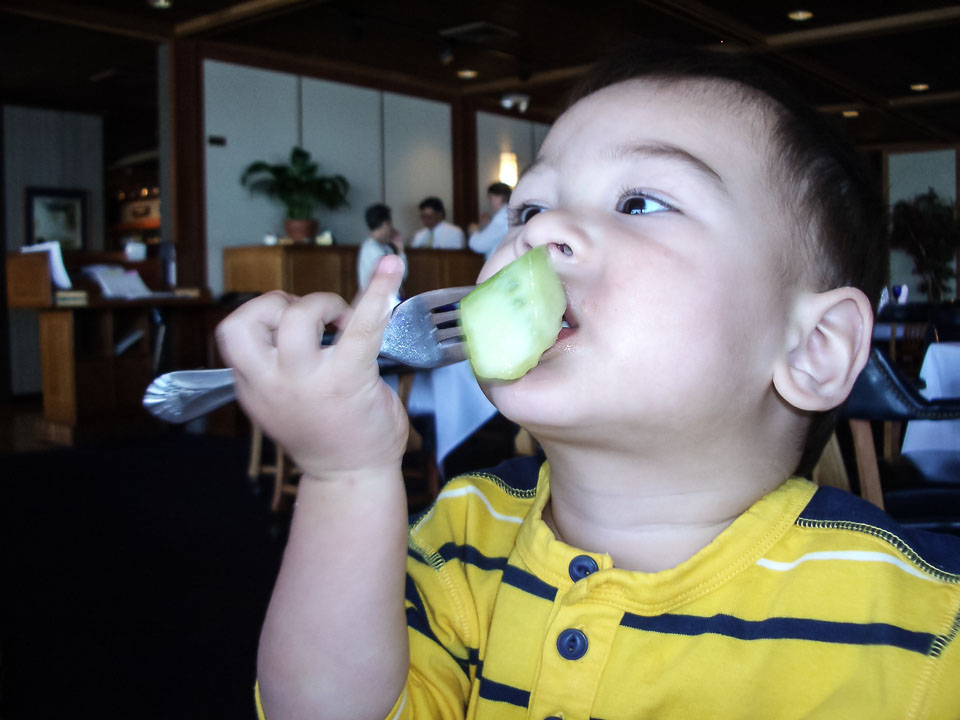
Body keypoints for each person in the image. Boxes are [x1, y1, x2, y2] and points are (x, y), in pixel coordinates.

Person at [217, 42, 960, 720]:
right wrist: (346, 476)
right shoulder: (462, 536)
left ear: (814, 349)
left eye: (640, 202)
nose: (538, 233)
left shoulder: (924, 629)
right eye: (531, 207)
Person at [357, 203, 406, 293]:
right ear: (385, 224)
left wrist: (400, 250)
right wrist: (400, 252)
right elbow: (396, 276)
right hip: (377, 299)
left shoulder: (385, 247)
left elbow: (403, 276)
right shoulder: (371, 249)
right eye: (390, 224)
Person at [468, 181, 512, 260]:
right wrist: (488, 225)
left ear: (499, 198)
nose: (490, 203)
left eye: (491, 198)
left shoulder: (503, 216)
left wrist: (474, 231)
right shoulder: (509, 213)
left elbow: (479, 245)